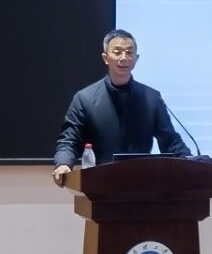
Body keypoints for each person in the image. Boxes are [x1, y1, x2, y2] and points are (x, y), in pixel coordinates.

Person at [51, 29, 191, 186]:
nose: (124, 58)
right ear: (105, 58)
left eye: (129, 53)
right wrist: (63, 164)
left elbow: (170, 140)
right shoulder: (85, 99)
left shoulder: (152, 98)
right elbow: (69, 140)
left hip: (143, 184)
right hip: (100, 184)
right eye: (117, 52)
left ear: (136, 58)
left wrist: (190, 161)